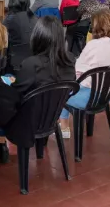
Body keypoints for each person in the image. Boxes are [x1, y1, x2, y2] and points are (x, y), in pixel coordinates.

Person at [59, 10, 110, 137]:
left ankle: (64, 125)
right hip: (109, 95)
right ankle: (74, 121)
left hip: (87, 97)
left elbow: (77, 71)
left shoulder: (94, 45)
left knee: (61, 85)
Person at [5, 16, 75, 146]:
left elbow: (16, 94)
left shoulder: (31, 64)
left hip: (26, 125)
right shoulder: (70, 61)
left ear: (37, 37)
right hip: (52, 119)